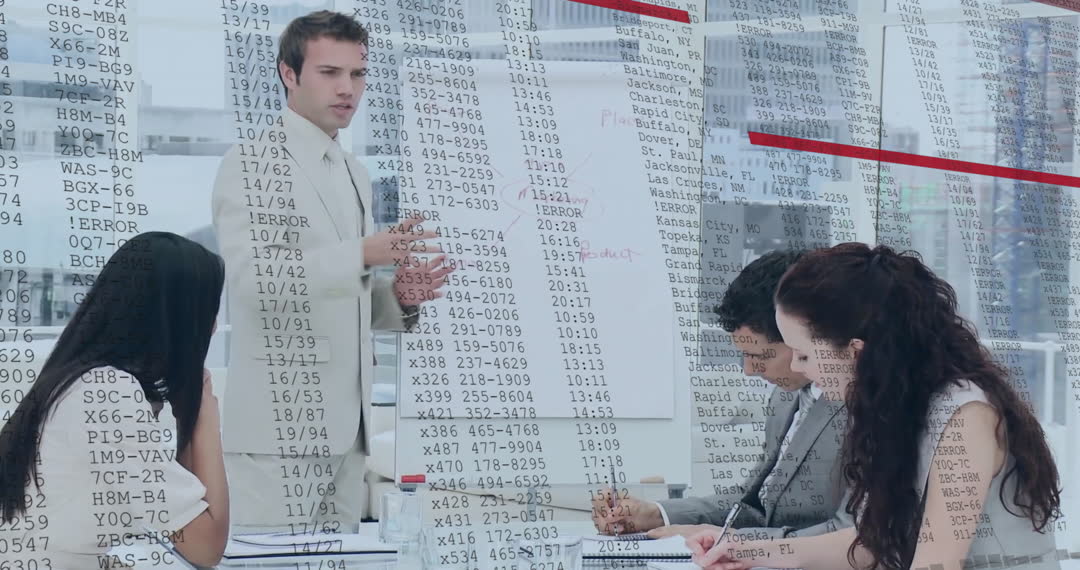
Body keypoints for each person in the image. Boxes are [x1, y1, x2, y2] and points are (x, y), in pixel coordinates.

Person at [212, 10, 450, 533]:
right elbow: (254, 281)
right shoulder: (252, 162)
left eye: (357, 74)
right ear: (289, 74)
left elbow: (339, 295)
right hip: (279, 432)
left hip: (348, 433)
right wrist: (363, 253)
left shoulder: (353, 171)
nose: (348, 89)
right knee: (271, 565)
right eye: (330, 73)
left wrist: (398, 298)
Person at [689, 243, 1062, 570]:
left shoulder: (965, 418)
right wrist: (748, 550)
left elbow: (937, 563)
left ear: (856, 351)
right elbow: (869, 545)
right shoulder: (893, 406)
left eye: (803, 354)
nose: (799, 369)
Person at [0, 232, 229, 568]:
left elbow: (180, 513)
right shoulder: (109, 394)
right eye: (208, 311)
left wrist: (187, 413)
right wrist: (206, 418)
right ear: (178, 318)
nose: (213, 327)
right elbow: (206, 548)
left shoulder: (76, 379)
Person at [593, 249, 851, 540]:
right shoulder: (785, 398)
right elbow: (755, 505)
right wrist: (654, 514)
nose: (749, 370)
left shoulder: (864, 404)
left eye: (759, 356)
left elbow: (853, 535)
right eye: (744, 355)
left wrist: (735, 543)